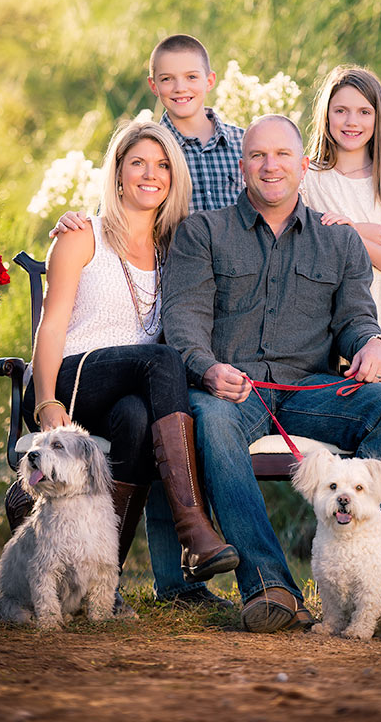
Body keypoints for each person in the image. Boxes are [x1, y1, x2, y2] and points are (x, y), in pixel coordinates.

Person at [161, 114, 381, 633]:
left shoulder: (339, 242)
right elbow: (183, 322)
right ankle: (270, 586)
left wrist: (374, 344)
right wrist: (209, 370)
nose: (270, 165)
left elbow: (356, 319)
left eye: (282, 155)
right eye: (258, 155)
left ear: (303, 166)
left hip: (309, 389)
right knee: (210, 419)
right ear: (242, 168)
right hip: (233, 390)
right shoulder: (202, 233)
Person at [51, 34, 245, 609]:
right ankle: (195, 528)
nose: (151, 173)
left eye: (162, 166)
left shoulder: (171, 247)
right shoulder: (84, 233)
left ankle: (96, 582)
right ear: (117, 172)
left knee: (137, 420)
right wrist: (45, 406)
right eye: (138, 163)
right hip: (77, 377)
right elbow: (51, 329)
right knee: (162, 360)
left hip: (132, 389)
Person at [302, 65, 381, 404]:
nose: (351, 121)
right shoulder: (307, 178)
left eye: (363, 112)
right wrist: (355, 234)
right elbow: (300, 240)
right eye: (340, 110)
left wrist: (354, 235)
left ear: (378, 118)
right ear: (326, 114)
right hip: (330, 316)